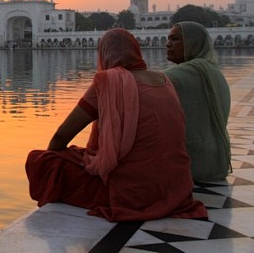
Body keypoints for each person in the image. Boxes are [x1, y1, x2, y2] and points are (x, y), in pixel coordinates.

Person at [25, 28, 206, 222]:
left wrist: (53, 157)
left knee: (39, 160)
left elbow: (61, 136)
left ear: (104, 54)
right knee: (86, 155)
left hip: (132, 193)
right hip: (176, 188)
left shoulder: (108, 81)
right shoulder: (164, 79)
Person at [164, 21, 231, 183]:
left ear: (192, 43)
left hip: (189, 165)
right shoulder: (214, 72)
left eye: (175, 39)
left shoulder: (176, 77)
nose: (168, 44)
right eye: (169, 39)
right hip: (217, 162)